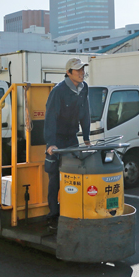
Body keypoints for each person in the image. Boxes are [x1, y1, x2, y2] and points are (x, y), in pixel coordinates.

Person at [44, 58, 91, 229]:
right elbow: (50, 118)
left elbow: (86, 112)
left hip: (72, 138)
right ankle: (53, 216)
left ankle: (72, 211)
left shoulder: (84, 88)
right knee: (55, 178)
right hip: (57, 139)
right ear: (69, 72)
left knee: (74, 176)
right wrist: (50, 143)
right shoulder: (59, 91)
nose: (81, 73)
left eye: (82, 69)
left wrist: (86, 137)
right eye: (77, 70)